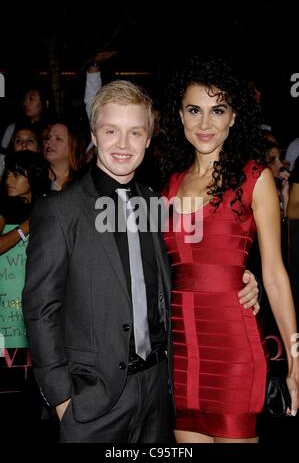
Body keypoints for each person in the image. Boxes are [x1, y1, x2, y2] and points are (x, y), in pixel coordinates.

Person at [22, 80, 260, 443]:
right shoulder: (59, 212)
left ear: (149, 138)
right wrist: (61, 398)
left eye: (135, 132)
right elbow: (40, 309)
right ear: (94, 135)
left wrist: (241, 277)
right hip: (92, 402)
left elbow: (190, 265)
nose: (122, 144)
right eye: (111, 131)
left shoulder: (158, 204)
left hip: (160, 395)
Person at [161, 55, 299, 443]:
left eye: (217, 110)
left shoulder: (255, 178)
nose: (205, 123)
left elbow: (273, 272)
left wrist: (295, 358)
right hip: (182, 349)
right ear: (181, 116)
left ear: (234, 117)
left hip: (233, 347)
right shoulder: (167, 186)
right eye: (194, 110)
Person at [0, 150, 51, 440]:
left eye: (17, 174)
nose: (10, 179)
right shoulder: (4, 209)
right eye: (8, 172)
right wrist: (25, 229)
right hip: (4, 330)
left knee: (30, 410)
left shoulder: (48, 209)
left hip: (33, 327)